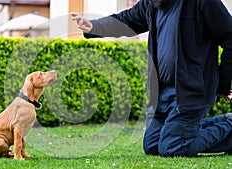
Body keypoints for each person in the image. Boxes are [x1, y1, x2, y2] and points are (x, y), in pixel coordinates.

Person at [71, 0, 232, 157]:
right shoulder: (151, 4)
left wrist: (222, 86)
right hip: (161, 94)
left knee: (172, 148)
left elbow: (230, 39)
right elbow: (125, 20)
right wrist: (93, 27)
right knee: (152, 145)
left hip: (191, 92)